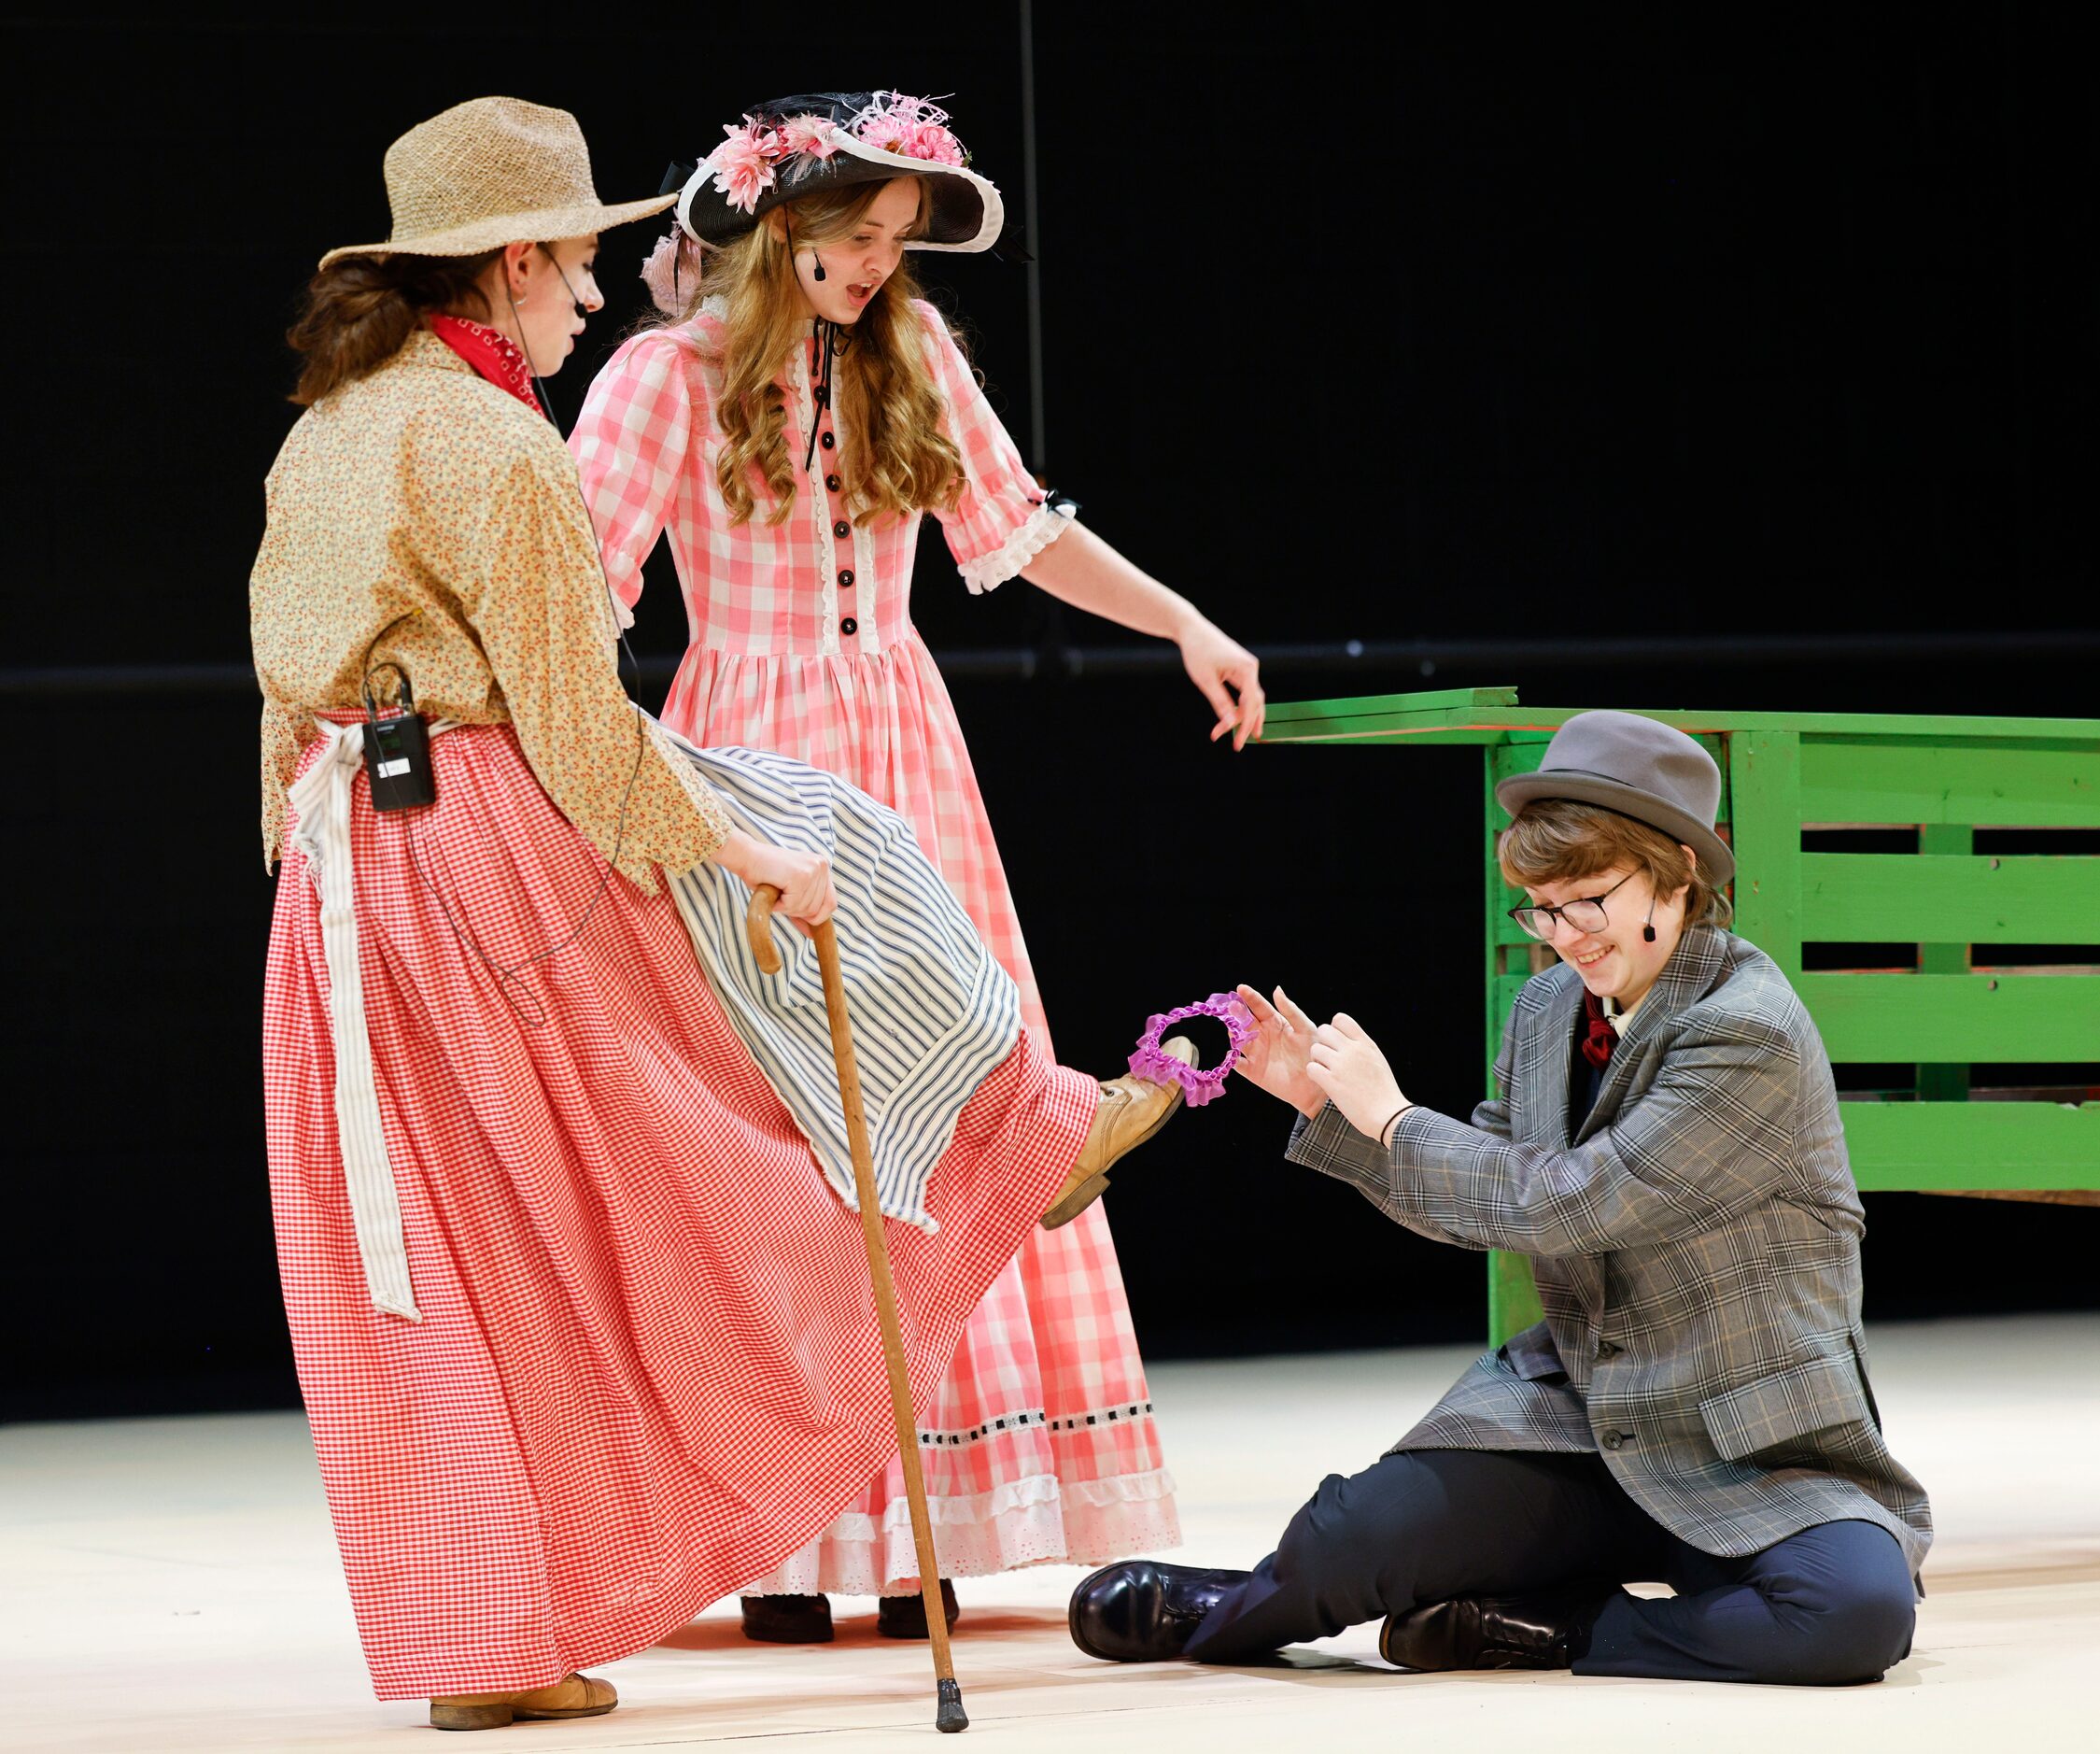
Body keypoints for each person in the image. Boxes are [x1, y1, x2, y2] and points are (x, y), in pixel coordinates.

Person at [254, 95, 1187, 1732]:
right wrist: (736, 857)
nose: (603, 290)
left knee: (433, 1260)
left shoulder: (328, 425)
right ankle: (1018, 1124)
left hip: (346, 867)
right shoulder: (501, 439)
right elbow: (575, 714)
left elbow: (282, 702)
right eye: (580, 267)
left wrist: (312, 865)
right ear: (518, 262)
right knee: (696, 1144)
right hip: (490, 828)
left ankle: (492, 1626)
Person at [570, 90, 1259, 1638]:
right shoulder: (659, 379)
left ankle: (919, 1517)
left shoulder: (914, 359)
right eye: (854, 234)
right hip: (741, 740)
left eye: (896, 241)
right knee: (777, 1119)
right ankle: (793, 1531)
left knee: (944, 1095)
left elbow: (1016, 529)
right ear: (773, 225)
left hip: (898, 744)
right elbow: (577, 594)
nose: (879, 264)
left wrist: (1183, 622)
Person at [1066, 712, 1934, 1685]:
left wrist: (1392, 1118)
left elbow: (1571, 1202)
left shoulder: (1748, 1029)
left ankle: (1552, 1628)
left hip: (1754, 1443)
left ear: (1680, 874)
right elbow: (1491, 1192)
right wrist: (1328, 1105)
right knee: (1354, 1534)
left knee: (1851, 1613)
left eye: (1590, 902)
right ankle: (1236, 1604)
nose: (1564, 938)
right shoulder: (1546, 1009)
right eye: (1541, 908)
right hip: (1584, 1416)